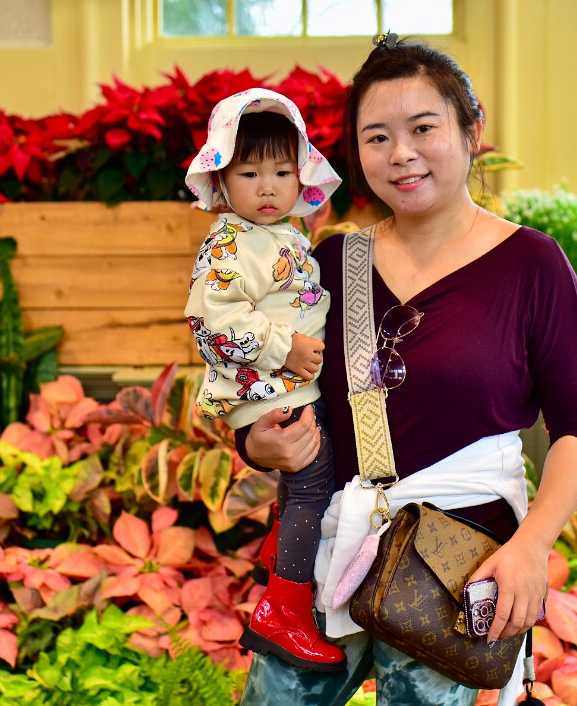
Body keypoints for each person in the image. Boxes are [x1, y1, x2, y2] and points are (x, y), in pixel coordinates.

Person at [235, 35, 577, 706]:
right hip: (329, 542)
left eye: (423, 128)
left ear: (472, 130)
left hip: (458, 560)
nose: (400, 154)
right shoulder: (331, 262)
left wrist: (531, 547)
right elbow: (280, 396)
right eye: (376, 137)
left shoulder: (532, 266)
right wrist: (258, 441)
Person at [183, 88, 347, 671]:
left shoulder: (278, 236)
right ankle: (284, 611)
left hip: (289, 386)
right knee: (312, 484)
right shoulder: (231, 244)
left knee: (308, 483)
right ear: (222, 182)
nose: (270, 186)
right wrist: (288, 346)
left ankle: (283, 546)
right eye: (249, 172)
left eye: (282, 170)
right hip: (269, 387)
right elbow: (214, 319)